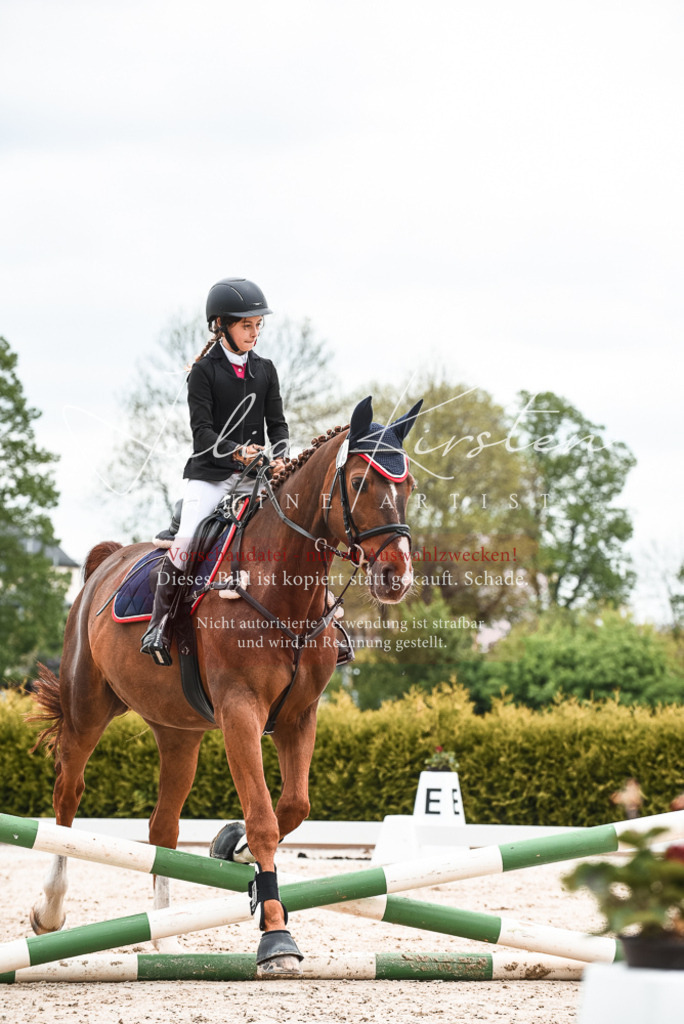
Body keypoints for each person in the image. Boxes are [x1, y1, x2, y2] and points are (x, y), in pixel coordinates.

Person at [140, 277, 289, 665]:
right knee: (187, 541)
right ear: (220, 325)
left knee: (295, 530)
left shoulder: (266, 370)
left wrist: (283, 456)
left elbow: (278, 425)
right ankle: (158, 626)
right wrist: (238, 452)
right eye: (246, 325)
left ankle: (324, 625)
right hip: (210, 475)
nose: (254, 333)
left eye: (258, 325)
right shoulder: (203, 373)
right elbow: (202, 433)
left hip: (255, 477)